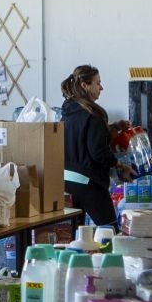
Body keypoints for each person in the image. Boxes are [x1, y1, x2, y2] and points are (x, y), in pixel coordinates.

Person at [59, 65, 121, 228]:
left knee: (74, 235)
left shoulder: (67, 113)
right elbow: (98, 151)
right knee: (109, 231)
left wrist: (114, 128)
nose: (101, 87)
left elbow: (81, 140)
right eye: (98, 83)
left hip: (67, 183)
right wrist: (118, 164)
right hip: (89, 183)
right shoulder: (93, 114)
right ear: (85, 85)